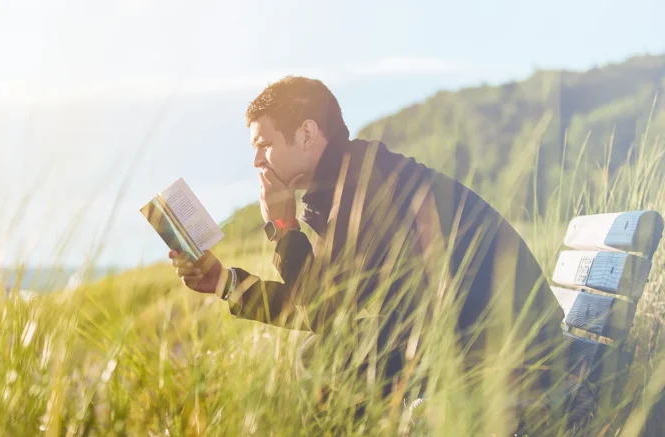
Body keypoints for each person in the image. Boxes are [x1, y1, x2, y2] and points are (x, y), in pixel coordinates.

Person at [168, 76, 570, 432]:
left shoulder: (365, 185)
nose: (256, 160)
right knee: (326, 353)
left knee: (323, 359)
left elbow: (322, 311)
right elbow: (322, 304)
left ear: (307, 134)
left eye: (265, 144)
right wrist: (224, 282)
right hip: (481, 343)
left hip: (519, 360)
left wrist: (285, 227)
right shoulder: (347, 182)